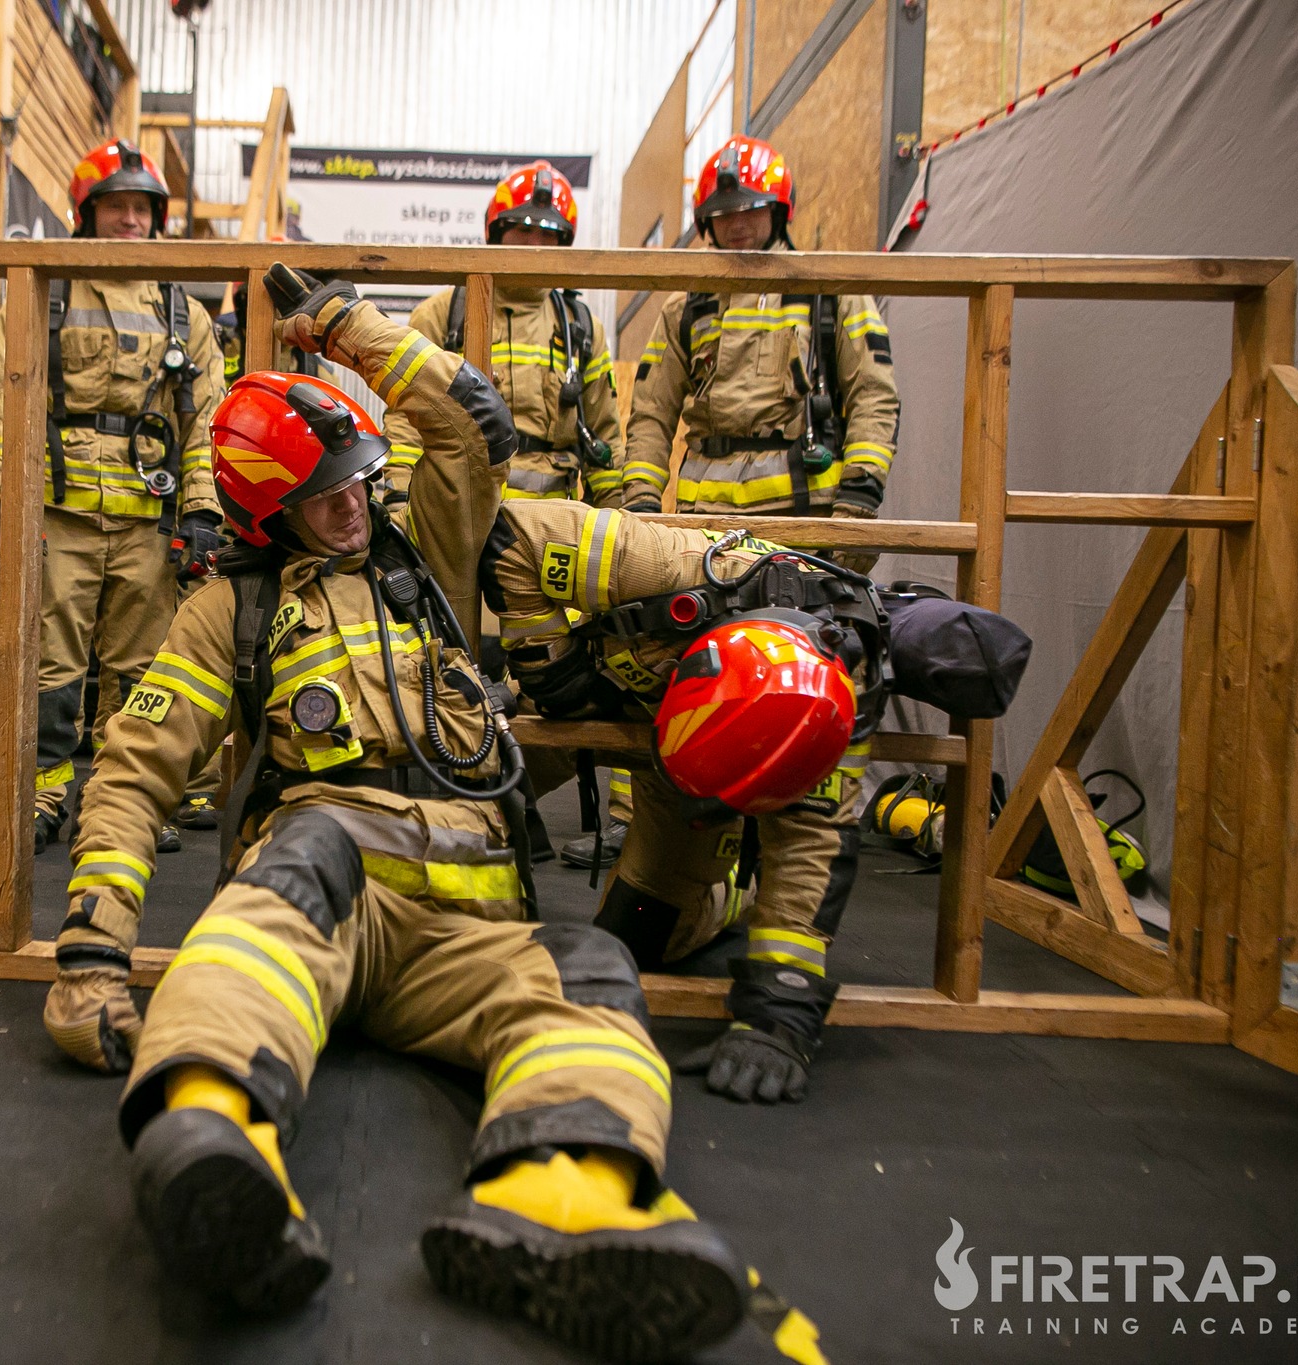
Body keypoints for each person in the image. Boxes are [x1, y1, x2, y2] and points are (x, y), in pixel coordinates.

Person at [46, 264, 753, 1361]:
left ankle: (563, 1202)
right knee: (279, 889)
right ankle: (208, 1138)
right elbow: (135, 772)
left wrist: (346, 329)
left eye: (358, 476)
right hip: (336, 895)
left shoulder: (431, 555)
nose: (353, 502)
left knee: (584, 978)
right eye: (325, 494)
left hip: (467, 926)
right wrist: (92, 951)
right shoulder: (226, 612)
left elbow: (467, 425)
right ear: (261, 511)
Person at [610, 134, 902, 1009]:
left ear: (778, 213)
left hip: (801, 536)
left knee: (798, 710)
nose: (737, 227)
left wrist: (857, 504)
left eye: (750, 213)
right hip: (699, 534)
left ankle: (780, 927)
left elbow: (874, 396)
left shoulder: (826, 288)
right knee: (691, 701)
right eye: (723, 216)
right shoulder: (689, 301)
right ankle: (699, 879)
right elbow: (652, 408)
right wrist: (637, 509)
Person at [481, 497, 889, 1106]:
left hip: (689, 783)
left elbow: (810, 857)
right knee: (471, 770)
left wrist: (778, 1020)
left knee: (637, 944)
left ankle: (730, 897)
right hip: (620, 696)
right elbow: (511, 534)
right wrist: (550, 668)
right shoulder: (661, 565)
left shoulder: (826, 723)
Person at [0, 139, 226, 856]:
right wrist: (3, 502)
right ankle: (41, 794)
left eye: (141, 208)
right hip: (61, 515)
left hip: (149, 520)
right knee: (48, 667)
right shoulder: (44, 291)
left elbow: (205, 418)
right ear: (85, 214)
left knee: (143, 668)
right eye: (115, 206)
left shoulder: (185, 310)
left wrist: (204, 511)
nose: (129, 220)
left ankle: (128, 797)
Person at [382, 160, 633, 870]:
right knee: (449, 670)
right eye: (520, 228)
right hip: (456, 526)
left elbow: (604, 432)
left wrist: (619, 522)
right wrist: (401, 501)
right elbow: (404, 418)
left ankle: (514, 801)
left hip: (548, 538)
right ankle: (461, 806)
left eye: (547, 234)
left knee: (560, 679)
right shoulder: (448, 311)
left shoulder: (579, 325)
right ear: (494, 231)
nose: (533, 242)